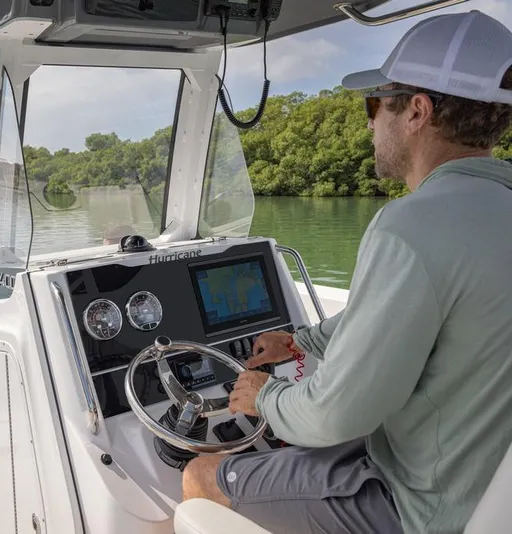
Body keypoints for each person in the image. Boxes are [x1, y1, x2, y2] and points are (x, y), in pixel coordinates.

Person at [182, 10, 512, 534]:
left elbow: (336, 416)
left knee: (202, 475)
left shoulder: (412, 227)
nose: (369, 121)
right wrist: (303, 342)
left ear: (417, 111)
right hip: (482, 489)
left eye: (375, 104)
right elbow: (407, 317)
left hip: (423, 509)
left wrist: (263, 396)